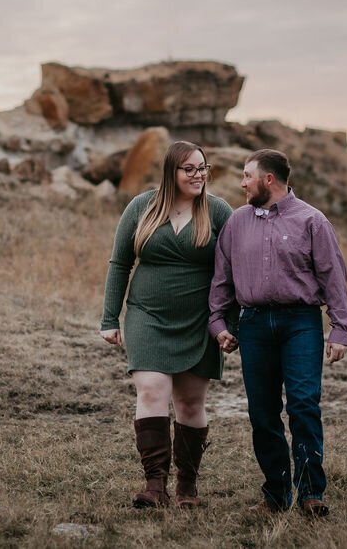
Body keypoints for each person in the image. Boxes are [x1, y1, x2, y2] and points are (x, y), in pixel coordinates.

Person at [208, 148, 347, 517]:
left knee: (304, 404)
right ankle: (275, 495)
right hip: (253, 325)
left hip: (300, 323)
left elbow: (333, 276)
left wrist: (339, 329)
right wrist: (219, 324)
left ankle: (310, 493)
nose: (242, 183)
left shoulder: (312, 221)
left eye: (247, 176)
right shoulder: (236, 223)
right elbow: (222, 279)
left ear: (268, 180)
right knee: (262, 412)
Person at [100, 141, 234, 509]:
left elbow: (237, 270)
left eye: (203, 168)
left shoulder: (219, 211)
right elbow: (119, 263)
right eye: (189, 169)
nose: (199, 175)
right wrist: (110, 317)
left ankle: (186, 488)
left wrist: (229, 322)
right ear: (170, 172)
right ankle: (154, 485)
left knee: (190, 402)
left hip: (199, 320)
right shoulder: (141, 207)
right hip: (147, 315)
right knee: (150, 391)